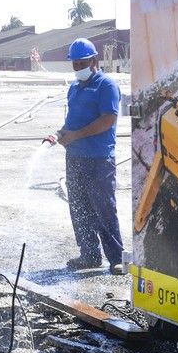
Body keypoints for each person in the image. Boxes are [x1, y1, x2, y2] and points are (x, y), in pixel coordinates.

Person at [43, 38, 125, 275]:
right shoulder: (74, 88)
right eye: (75, 64)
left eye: (83, 63)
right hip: (75, 158)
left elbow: (107, 119)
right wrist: (58, 134)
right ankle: (89, 254)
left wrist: (76, 136)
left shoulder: (106, 85)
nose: (79, 68)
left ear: (94, 61)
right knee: (79, 208)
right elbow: (71, 123)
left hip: (99, 159)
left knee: (104, 209)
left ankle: (116, 257)